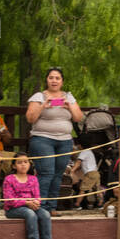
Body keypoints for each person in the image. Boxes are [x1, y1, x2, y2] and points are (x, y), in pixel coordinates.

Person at [25, 68, 83, 214]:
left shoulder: (68, 97)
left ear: (62, 81)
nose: (54, 81)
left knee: (58, 174)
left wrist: (69, 106)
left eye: (57, 78)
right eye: (51, 78)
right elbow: (30, 118)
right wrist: (43, 106)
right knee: (46, 173)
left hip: (64, 141)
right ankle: (41, 207)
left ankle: (51, 207)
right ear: (47, 80)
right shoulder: (39, 96)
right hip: (42, 139)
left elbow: (78, 118)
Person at [4, 151, 54, 239]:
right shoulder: (9, 179)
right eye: (19, 162)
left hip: (31, 206)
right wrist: (26, 202)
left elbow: (37, 196)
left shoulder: (33, 179)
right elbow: (9, 200)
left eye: (26, 162)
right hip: (13, 209)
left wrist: (36, 202)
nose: (23, 165)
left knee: (45, 214)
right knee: (30, 214)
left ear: (29, 164)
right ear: (14, 165)